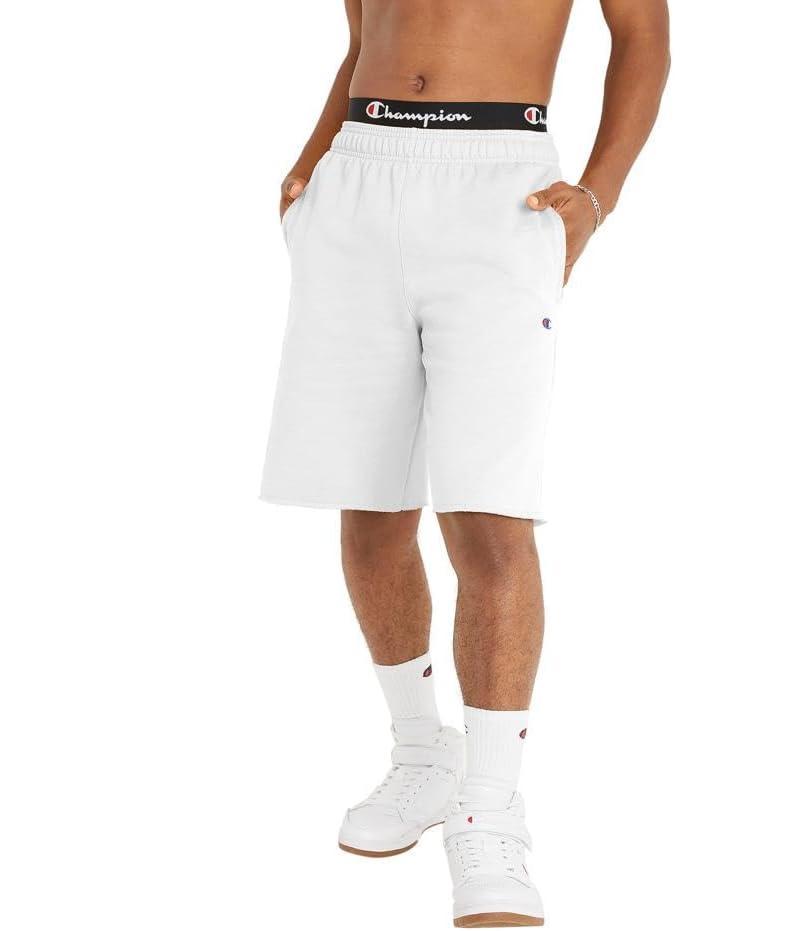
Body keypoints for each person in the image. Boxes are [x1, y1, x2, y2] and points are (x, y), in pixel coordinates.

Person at [261, 1, 669, 925]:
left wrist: (597, 195)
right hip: (358, 178)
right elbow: (363, 39)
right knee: (369, 503)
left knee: (488, 514)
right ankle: (421, 754)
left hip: (498, 183)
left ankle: (491, 809)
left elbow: (643, 36)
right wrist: (308, 169)